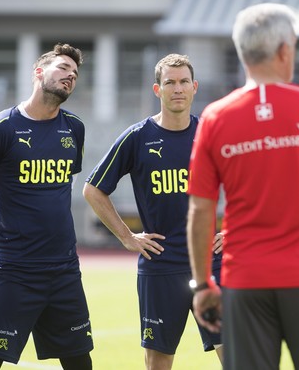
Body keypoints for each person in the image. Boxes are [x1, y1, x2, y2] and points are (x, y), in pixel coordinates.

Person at [186, 3, 299, 370]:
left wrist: (203, 283)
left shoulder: (216, 117)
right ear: (285, 50)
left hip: (244, 281)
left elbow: (201, 209)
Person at [82, 54, 223, 369]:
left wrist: (236, 230)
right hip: (160, 266)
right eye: (169, 82)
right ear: (157, 89)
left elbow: (250, 183)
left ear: (194, 87)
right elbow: (93, 189)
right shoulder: (137, 137)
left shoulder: (212, 133)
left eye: (183, 81)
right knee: (158, 362)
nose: (177, 89)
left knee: (236, 354)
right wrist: (127, 236)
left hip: (212, 263)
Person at [0, 43, 93, 370]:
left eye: (75, 74)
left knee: (80, 362)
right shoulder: (4, 128)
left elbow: (68, 183)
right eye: (63, 68)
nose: (70, 76)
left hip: (64, 270)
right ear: (38, 72)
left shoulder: (74, 128)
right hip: (13, 270)